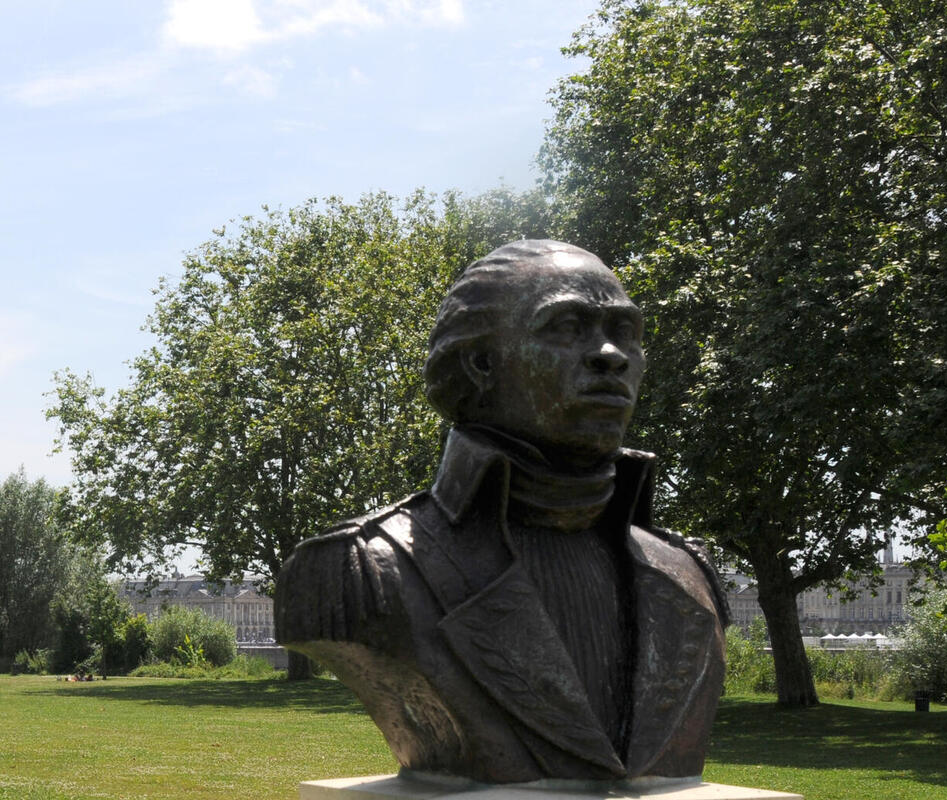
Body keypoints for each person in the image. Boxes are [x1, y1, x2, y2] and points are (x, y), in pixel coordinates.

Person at [276, 241, 726, 788]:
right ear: (481, 363)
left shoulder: (689, 572)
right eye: (566, 327)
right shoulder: (356, 570)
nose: (611, 354)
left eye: (625, 330)